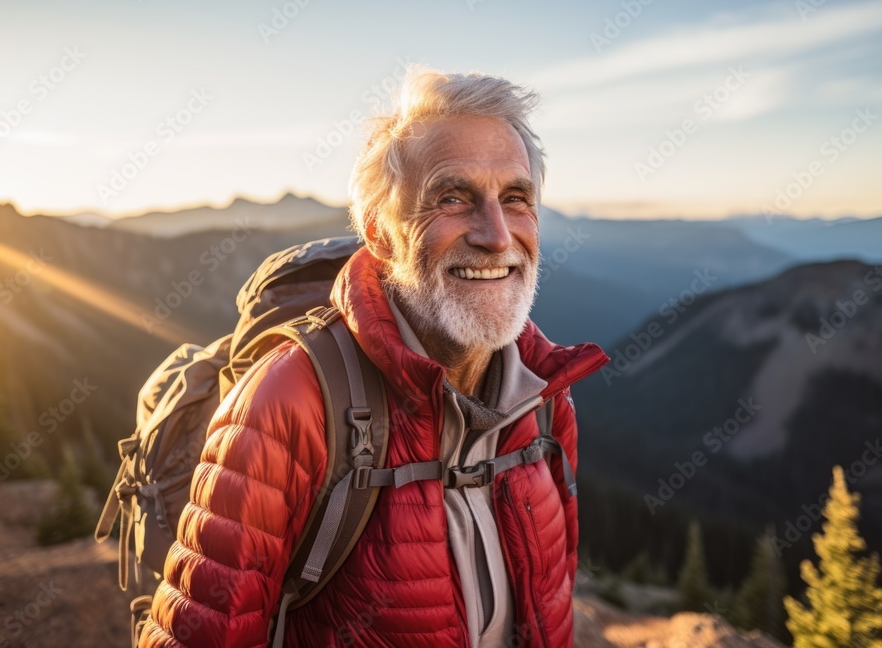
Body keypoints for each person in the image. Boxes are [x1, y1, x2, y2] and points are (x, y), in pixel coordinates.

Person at [139, 66, 610, 648]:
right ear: (381, 235)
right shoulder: (291, 401)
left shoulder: (544, 397)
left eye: (516, 198)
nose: (495, 233)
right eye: (451, 197)